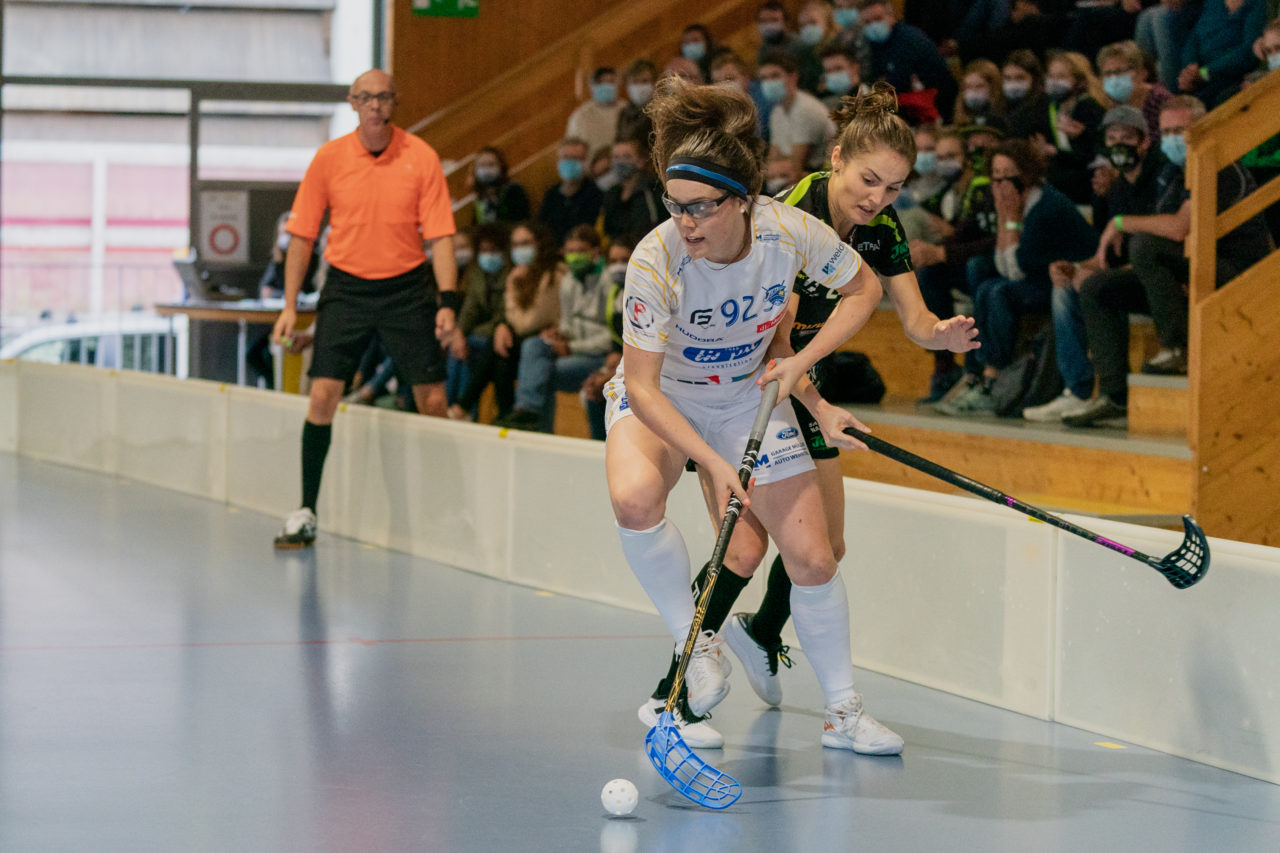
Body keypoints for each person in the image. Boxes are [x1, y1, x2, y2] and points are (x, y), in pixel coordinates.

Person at [607, 76, 891, 752]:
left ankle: (844, 712)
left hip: (742, 395)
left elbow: (864, 288)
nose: (685, 223)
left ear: (743, 202)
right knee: (635, 497)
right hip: (667, 394)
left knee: (813, 558)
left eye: (701, 208)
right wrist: (709, 459)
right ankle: (694, 646)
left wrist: (807, 382)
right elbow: (642, 387)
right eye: (675, 206)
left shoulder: (788, 233)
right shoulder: (656, 258)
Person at [691, 85, 979, 716]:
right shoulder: (790, 216)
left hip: (793, 377)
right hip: (737, 381)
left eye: (895, 188)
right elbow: (776, 339)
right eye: (869, 180)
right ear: (839, 156)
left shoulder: (879, 227)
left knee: (826, 550)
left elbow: (914, 318)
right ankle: (676, 686)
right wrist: (821, 408)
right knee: (743, 548)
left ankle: (762, 634)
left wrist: (940, 336)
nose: (878, 199)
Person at [271, 69, 458, 549]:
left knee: (434, 400)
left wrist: (447, 301)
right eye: (366, 97)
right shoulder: (329, 159)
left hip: (406, 289)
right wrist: (291, 307)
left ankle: (446, 513)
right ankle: (306, 510)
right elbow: (302, 237)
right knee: (321, 396)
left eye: (383, 97)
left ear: (394, 102)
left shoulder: (421, 157)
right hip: (346, 289)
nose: (375, 105)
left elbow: (440, 236)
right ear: (354, 103)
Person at [1065, 95, 1273, 427]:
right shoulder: (1175, 173)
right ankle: (1114, 396)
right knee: (1097, 287)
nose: (1175, 138)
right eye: (1168, 131)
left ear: (1204, 128)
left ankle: (1176, 348)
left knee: (1146, 245)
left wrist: (1121, 222)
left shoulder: (1221, 166)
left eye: (1182, 130)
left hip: (1239, 274)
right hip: (1194, 267)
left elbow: (1177, 229)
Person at [937, 138, 1098, 417]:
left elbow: (1016, 270)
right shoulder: (1011, 203)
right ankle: (980, 374)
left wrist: (1009, 218)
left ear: (1026, 174)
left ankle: (992, 376)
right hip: (1038, 275)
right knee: (984, 280)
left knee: (999, 292)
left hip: (1068, 277)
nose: (1000, 184)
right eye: (995, 176)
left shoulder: (1045, 207)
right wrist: (1004, 218)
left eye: (1007, 176)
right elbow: (1003, 265)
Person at [1023, 104, 1161, 423]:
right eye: (1111, 139)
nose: (1118, 146)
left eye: (1126, 137)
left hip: (1161, 275)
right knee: (1066, 286)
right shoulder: (1114, 186)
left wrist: (1097, 272)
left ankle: (1114, 394)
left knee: (1097, 286)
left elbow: (1155, 248)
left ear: (1144, 142)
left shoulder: (1159, 176)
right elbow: (1108, 253)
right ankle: (1078, 390)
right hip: (1129, 272)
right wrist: (1075, 267)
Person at [910, 125, 1002, 402]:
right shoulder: (951, 191)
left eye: (951, 155)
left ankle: (976, 367)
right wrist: (936, 252)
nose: (944, 162)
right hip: (973, 262)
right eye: (940, 156)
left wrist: (943, 252)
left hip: (994, 265)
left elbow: (991, 239)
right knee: (930, 274)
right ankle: (945, 364)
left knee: (975, 271)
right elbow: (964, 233)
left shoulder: (982, 188)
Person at [498, 225, 614, 432]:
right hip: (574, 350)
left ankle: (538, 426)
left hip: (601, 357)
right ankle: (527, 411)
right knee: (534, 344)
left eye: (580, 251)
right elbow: (568, 323)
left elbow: (612, 338)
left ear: (595, 252)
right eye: (570, 251)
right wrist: (559, 334)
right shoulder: (569, 280)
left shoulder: (608, 282)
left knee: (545, 372)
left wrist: (571, 347)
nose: (574, 256)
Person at [449, 222, 560, 423]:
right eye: (516, 245)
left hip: (541, 339)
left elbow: (529, 323)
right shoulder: (517, 274)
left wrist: (510, 288)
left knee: (499, 343)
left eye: (525, 243)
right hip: (519, 338)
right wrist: (459, 332)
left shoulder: (552, 274)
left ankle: (464, 406)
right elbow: (472, 308)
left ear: (540, 244)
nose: (520, 250)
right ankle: (503, 414)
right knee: (496, 350)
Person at [446, 224, 510, 418]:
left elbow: (508, 313)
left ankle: (466, 410)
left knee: (472, 347)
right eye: (483, 250)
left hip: (501, 331)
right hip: (481, 332)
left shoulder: (512, 274)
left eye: (493, 250)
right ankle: (450, 406)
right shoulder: (477, 273)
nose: (488, 255)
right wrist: (458, 332)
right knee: (458, 347)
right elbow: (470, 309)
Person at [857, 0, 958, 122]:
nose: (873, 25)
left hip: (933, 108)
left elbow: (897, 83)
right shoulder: (873, 45)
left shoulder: (910, 41)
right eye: (867, 22)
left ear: (891, 16)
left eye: (878, 19)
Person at [1033, 51, 1108, 204]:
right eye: (1051, 76)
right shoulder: (1054, 107)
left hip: (1087, 187)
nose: (1054, 82)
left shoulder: (1088, 107)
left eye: (1061, 77)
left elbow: (1092, 155)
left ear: (1080, 81)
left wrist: (1056, 151)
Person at [1176, 0, 1269, 107]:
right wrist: (1189, 67)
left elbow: (1247, 53)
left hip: (1230, 77)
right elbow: (1194, 39)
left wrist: (1203, 73)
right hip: (1200, 77)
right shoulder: (1213, 4)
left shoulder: (1257, 5)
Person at [759, 49, 837, 175]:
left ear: (793, 77)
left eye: (775, 76)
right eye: (764, 78)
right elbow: (772, 160)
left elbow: (796, 169)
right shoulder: (777, 112)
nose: (769, 82)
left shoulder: (805, 109)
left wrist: (780, 164)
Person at [1097, 39, 1173, 143]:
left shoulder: (1160, 99)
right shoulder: (1111, 103)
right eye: (1108, 73)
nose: (1113, 78)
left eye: (1119, 71)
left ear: (1141, 72)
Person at [537, 136, 604, 245]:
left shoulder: (596, 194)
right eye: (565, 157)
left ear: (585, 161)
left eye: (575, 158)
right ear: (558, 162)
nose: (570, 162)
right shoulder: (551, 194)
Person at [601, 136, 667, 245]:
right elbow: (607, 229)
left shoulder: (653, 191)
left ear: (640, 161)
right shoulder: (612, 193)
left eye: (626, 157)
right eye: (616, 157)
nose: (620, 162)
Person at [566, 66, 623, 158]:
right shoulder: (580, 115)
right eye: (600, 82)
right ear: (591, 87)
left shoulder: (627, 110)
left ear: (618, 84)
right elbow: (572, 146)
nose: (605, 85)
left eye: (610, 82)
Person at [471, 146, 530, 226]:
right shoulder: (480, 199)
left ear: (501, 167)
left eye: (491, 164)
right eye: (482, 165)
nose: (486, 170)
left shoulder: (513, 191)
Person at [953, 59, 1009, 129]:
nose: (973, 91)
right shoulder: (962, 118)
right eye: (968, 87)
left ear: (993, 88)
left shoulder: (1005, 117)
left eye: (980, 86)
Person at [616, 59, 658, 145]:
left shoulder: (660, 112)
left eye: (644, 81)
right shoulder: (624, 113)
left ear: (654, 83)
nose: (639, 86)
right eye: (635, 81)